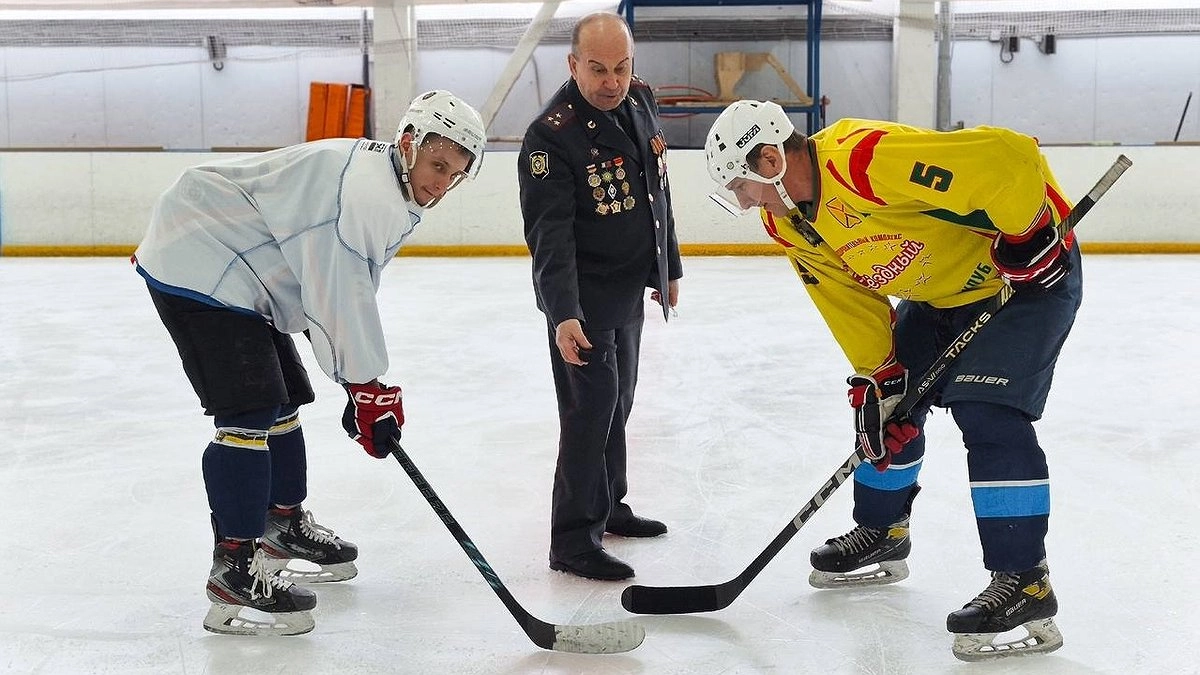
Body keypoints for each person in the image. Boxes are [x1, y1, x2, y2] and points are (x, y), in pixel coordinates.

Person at [704, 101, 1079, 661]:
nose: (744, 199)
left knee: (988, 415)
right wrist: (880, 375)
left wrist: (1030, 232)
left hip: (1024, 284)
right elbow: (843, 298)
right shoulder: (788, 220)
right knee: (885, 411)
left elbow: (1008, 157)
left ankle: (1025, 580)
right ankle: (884, 531)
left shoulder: (863, 160)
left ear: (769, 159)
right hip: (937, 298)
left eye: (742, 184)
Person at [134, 90, 486, 636]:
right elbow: (337, 295)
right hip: (200, 253)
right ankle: (235, 569)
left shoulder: (392, 185)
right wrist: (367, 387)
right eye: (438, 165)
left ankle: (280, 523)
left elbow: (348, 290)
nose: (442, 182)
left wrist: (359, 383)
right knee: (248, 410)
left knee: (286, 397)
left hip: (246, 259)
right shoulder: (367, 192)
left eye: (455, 174)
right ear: (410, 142)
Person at [517, 11, 683, 582]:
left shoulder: (640, 101)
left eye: (620, 67)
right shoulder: (552, 135)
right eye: (597, 69)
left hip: (628, 290)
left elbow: (657, 187)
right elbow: (549, 237)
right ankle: (572, 540)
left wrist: (669, 266)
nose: (611, 81)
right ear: (572, 65)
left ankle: (611, 506)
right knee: (588, 414)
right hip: (582, 304)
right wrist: (562, 313)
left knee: (620, 403)